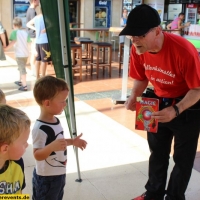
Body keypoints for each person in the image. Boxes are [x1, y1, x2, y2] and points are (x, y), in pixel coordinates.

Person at [119, 4, 200, 200]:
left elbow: (197, 89)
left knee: (183, 159)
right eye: (132, 36)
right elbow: (141, 77)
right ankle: (153, 194)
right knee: (157, 153)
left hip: (187, 106)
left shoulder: (184, 51)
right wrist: (133, 96)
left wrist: (177, 110)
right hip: (156, 101)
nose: (135, 40)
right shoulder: (139, 49)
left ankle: (174, 197)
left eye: (139, 35)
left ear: (157, 31)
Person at [32, 75, 87, 200]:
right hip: (46, 178)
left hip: (58, 174)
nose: (65, 104)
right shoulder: (39, 128)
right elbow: (37, 155)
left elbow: (58, 141)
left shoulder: (55, 120)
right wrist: (51, 147)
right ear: (47, 103)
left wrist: (72, 141)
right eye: (62, 101)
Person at [0, 104, 31, 194]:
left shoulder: (18, 163)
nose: (27, 145)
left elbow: (19, 193)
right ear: (5, 148)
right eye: (24, 142)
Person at [4, 17, 31, 91]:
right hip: (26, 54)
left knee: (22, 70)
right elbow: (29, 42)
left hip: (19, 54)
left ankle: (24, 85)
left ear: (14, 25)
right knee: (21, 67)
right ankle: (20, 81)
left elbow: (13, 42)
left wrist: (5, 49)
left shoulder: (14, 32)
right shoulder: (25, 32)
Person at [26, 5, 51, 79]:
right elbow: (51, 25)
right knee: (44, 60)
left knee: (38, 59)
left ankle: (37, 76)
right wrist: (46, 29)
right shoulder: (46, 17)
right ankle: (43, 77)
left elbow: (28, 24)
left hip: (37, 41)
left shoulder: (37, 17)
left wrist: (36, 29)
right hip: (45, 40)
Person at [26, 0, 40, 76]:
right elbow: (29, 24)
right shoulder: (32, 11)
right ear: (34, 1)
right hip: (33, 35)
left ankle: (33, 71)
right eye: (38, 0)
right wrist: (37, 29)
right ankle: (34, 71)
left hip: (31, 35)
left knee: (33, 53)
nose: (39, 2)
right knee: (35, 53)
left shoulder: (30, 10)